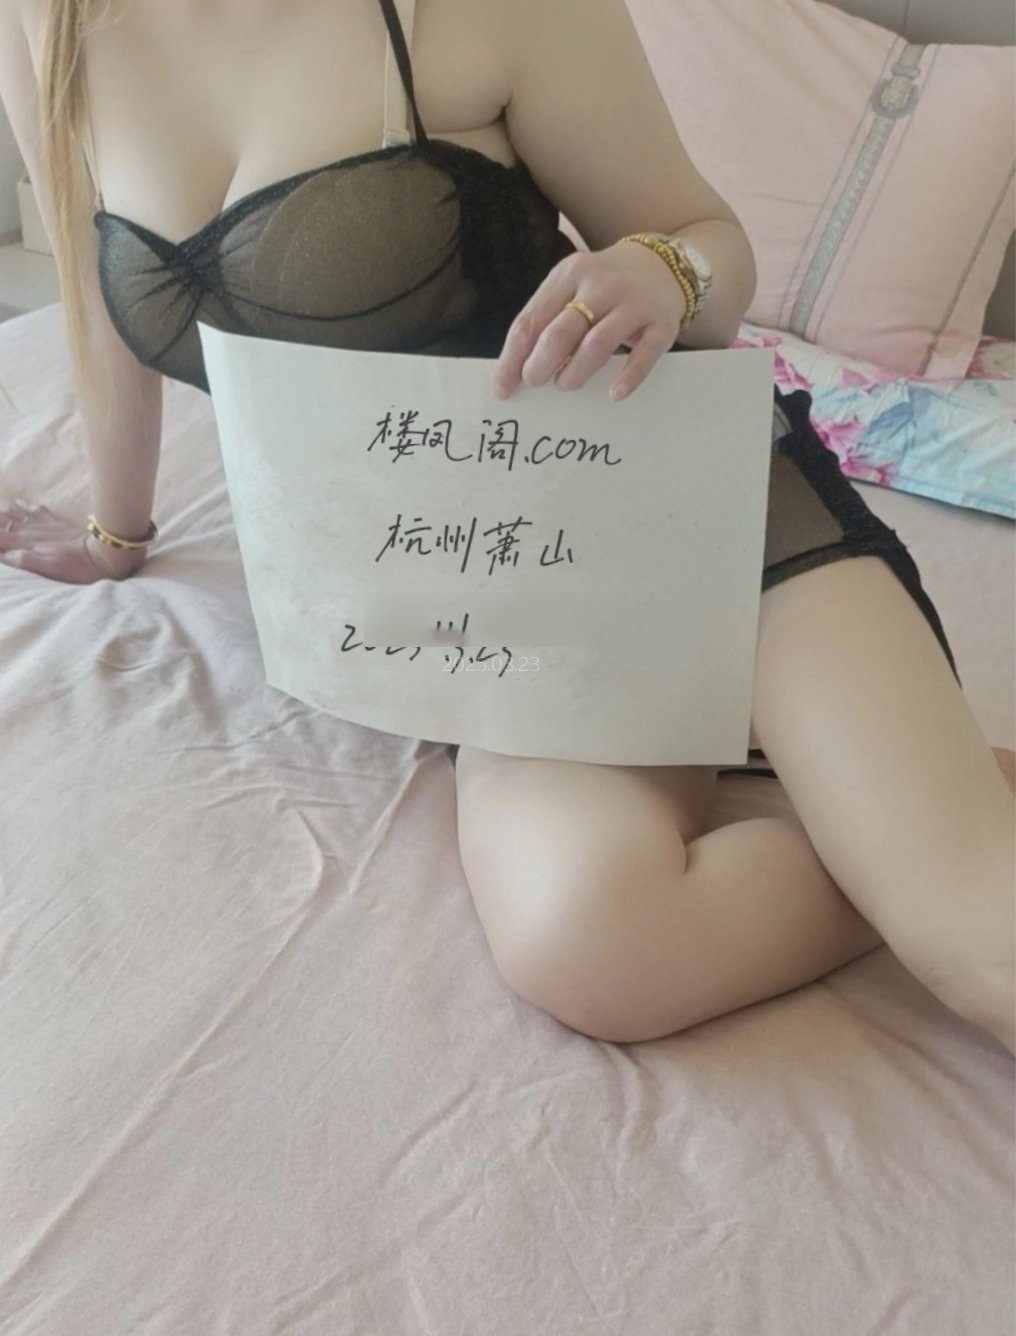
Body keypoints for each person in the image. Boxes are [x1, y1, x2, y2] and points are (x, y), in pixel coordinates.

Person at [0, 0, 1012, 1053]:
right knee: (597, 943)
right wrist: (116, 533)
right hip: (487, 603)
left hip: (692, 499)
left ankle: (918, 834)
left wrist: (663, 274)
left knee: (979, 940)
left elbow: (707, 244)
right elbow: (89, 293)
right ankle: (923, 803)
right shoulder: (49, 19)